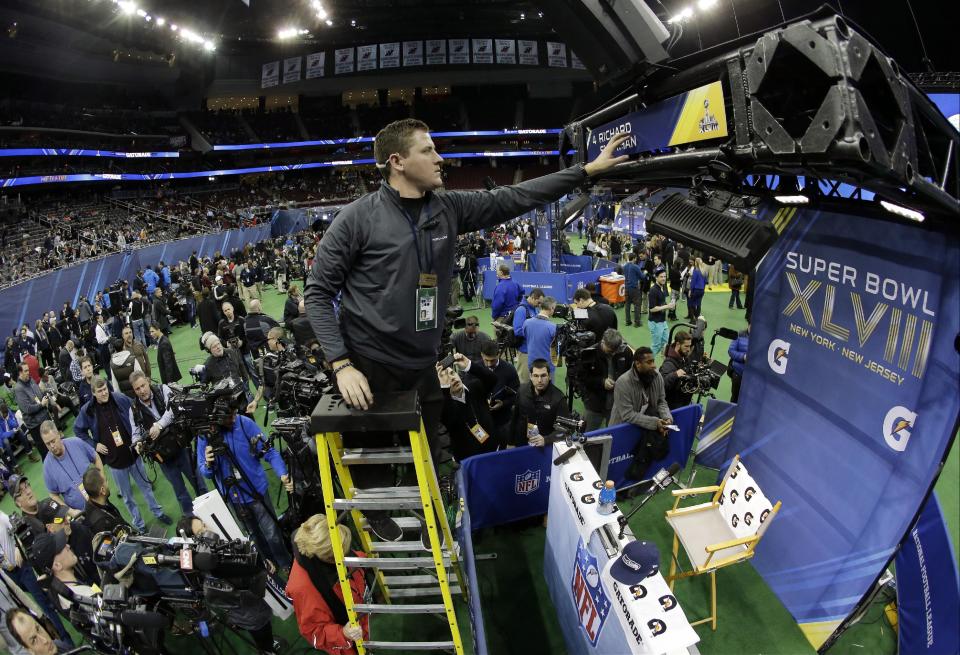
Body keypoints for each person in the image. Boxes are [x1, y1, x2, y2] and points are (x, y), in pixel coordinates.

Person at [303, 119, 628, 541]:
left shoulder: (447, 207)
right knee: (376, 453)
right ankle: (381, 513)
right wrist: (342, 364)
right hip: (370, 365)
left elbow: (513, 197)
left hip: (423, 362)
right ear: (397, 162)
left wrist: (584, 171)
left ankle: (432, 513)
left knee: (433, 442)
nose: (440, 159)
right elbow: (317, 293)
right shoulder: (355, 220)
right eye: (428, 150)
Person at [198, 407, 294, 571]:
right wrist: (208, 464)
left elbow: (268, 451)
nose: (234, 418)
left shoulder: (244, 423)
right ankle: (267, 563)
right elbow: (205, 472)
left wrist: (283, 473)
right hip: (234, 498)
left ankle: (285, 563)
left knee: (272, 533)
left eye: (234, 414)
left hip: (256, 491)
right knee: (253, 536)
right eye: (230, 416)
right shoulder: (205, 435)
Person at [73, 377, 172, 531]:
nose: (104, 393)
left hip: (133, 455)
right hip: (114, 463)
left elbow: (136, 410)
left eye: (105, 389)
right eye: (100, 391)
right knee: (127, 498)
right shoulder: (88, 410)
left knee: (146, 487)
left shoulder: (120, 398)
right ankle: (139, 524)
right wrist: (94, 444)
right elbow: (78, 430)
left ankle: (158, 512)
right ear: (93, 393)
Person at [286, 514, 369, 654]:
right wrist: (343, 634)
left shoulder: (324, 544)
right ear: (330, 557)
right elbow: (314, 632)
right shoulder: (303, 588)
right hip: (348, 644)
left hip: (360, 621)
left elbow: (353, 557)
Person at [129, 372, 205, 517]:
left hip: (182, 447)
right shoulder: (133, 409)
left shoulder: (163, 390)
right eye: (137, 389)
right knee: (180, 492)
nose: (142, 390)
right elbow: (135, 432)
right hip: (163, 458)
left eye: (143, 385)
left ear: (148, 381)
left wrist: (159, 426)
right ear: (134, 390)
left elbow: (172, 411)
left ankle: (213, 508)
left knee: (198, 483)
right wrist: (137, 443)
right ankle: (191, 518)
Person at [0, 514, 73, 644]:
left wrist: (17, 546)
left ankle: (66, 639)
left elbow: (16, 525)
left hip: (22, 568)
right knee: (34, 606)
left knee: (43, 604)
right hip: (7, 575)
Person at [610, 347, 674, 480]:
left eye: (653, 361)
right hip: (622, 427)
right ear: (638, 364)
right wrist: (655, 423)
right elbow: (627, 415)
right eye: (649, 362)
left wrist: (666, 417)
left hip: (643, 427)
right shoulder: (623, 382)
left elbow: (661, 401)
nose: (654, 365)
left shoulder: (657, 377)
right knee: (618, 463)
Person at [438, 354, 501, 463]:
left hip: (493, 451)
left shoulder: (475, 387)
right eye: (446, 377)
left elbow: (492, 379)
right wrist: (444, 389)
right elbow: (449, 419)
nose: (452, 378)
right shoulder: (445, 404)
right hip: (467, 461)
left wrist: (470, 366)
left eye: (452, 373)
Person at [40, 422, 103, 511]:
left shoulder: (76, 442)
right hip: (81, 514)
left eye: (53, 441)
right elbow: (53, 495)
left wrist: (102, 479)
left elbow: (95, 457)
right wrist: (70, 511)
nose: (52, 446)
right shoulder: (47, 466)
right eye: (47, 444)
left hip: (100, 500)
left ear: (58, 435)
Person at [581, 329, 633, 432]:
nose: (613, 353)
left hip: (617, 404)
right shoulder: (590, 353)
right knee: (587, 435)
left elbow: (630, 374)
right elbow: (583, 378)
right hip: (595, 404)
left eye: (615, 350)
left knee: (613, 435)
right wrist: (602, 382)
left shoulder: (625, 352)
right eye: (610, 351)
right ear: (603, 341)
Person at [512, 359, 570, 446]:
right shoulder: (522, 391)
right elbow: (515, 416)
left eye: (543, 376)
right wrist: (511, 440)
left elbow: (565, 429)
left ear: (549, 376)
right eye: (535, 376)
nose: (539, 380)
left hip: (545, 446)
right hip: (522, 443)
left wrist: (546, 440)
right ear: (530, 376)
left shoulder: (559, 399)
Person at [478, 341, 520, 438]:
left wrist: (503, 404)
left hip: (503, 421)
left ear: (498, 354)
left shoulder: (510, 370)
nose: (488, 364)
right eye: (486, 360)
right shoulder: (475, 369)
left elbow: (516, 395)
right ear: (481, 355)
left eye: (492, 360)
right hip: (481, 421)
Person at [13, 363, 52, 460]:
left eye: (28, 370)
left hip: (44, 418)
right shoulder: (18, 389)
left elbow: (40, 393)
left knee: (54, 448)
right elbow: (27, 409)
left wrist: (45, 396)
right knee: (46, 455)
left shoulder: (31, 380)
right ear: (20, 373)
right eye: (25, 371)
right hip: (35, 425)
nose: (28, 372)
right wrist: (41, 404)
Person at [219, 301, 259, 387]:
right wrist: (226, 344)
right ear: (223, 312)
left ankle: (260, 390)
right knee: (239, 375)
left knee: (252, 371)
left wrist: (242, 342)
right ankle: (247, 395)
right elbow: (220, 338)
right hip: (232, 354)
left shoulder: (241, 320)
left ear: (232, 308)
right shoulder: (221, 324)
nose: (227, 311)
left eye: (228, 309)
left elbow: (248, 334)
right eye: (225, 310)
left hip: (245, 350)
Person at [79, 466, 129, 535]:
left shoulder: (97, 501)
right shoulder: (101, 524)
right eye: (106, 481)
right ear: (102, 491)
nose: (108, 483)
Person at [4, 606, 71, 655]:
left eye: (38, 629)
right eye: (34, 640)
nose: (45, 640)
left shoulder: (59, 645)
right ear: (29, 650)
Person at [510, 288, 544, 383]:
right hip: (525, 351)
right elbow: (518, 331)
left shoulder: (535, 309)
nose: (540, 305)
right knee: (523, 380)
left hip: (534, 350)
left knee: (534, 379)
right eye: (539, 302)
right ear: (533, 298)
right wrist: (535, 333)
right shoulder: (521, 310)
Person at [660, 330, 697, 409]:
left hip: (682, 402)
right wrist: (675, 374)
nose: (688, 349)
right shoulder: (669, 363)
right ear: (678, 344)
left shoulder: (683, 358)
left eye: (689, 346)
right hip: (672, 407)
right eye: (686, 346)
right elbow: (661, 384)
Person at [520, 296, 558, 374]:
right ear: (551, 308)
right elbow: (556, 349)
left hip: (532, 364)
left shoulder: (526, 323)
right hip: (547, 367)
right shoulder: (553, 327)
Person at [647, 270, 675, 358]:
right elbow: (652, 309)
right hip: (655, 323)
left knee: (666, 343)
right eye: (661, 277)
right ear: (656, 278)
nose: (663, 278)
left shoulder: (663, 287)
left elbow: (662, 303)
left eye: (664, 276)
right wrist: (667, 306)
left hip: (662, 321)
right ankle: (646, 363)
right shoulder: (653, 290)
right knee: (656, 346)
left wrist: (670, 305)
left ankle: (665, 362)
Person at [0, 400, 38, 464]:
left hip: (13, 433)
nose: (5, 415)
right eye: (3, 414)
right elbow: (2, 435)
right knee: (6, 442)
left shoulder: (8, 412)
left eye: (6, 413)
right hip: (4, 438)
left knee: (20, 432)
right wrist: (12, 432)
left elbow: (16, 424)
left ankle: (30, 454)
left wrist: (8, 419)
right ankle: (15, 466)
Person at [728, 321, 749, 403]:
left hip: (752, 377)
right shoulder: (739, 334)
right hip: (738, 374)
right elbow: (731, 351)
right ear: (749, 324)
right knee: (735, 399)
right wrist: (743, 357)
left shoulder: (761, 338)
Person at [623, 253, 646, 327]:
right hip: (634, 288)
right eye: (636, 258)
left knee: (627, 304)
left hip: (626, 287)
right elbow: (642, 277)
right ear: (634, 258)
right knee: (637, 305)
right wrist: (645, 273)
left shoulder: (625, 266)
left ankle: (628, 321)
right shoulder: (635, 267)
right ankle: (637, 322)